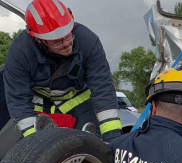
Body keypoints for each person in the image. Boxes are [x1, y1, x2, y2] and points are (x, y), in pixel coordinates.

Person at [3, 0, 121, 141]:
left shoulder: (88, 41)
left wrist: (113, 139)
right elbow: (18, 101)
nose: (66, 44)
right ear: (39, 40)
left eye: (68, 35)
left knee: (91, 143)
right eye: (56, 41)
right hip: (39, 110)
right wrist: (35, 143)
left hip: (81, 106)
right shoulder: (20, 52)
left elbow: (103, 89)